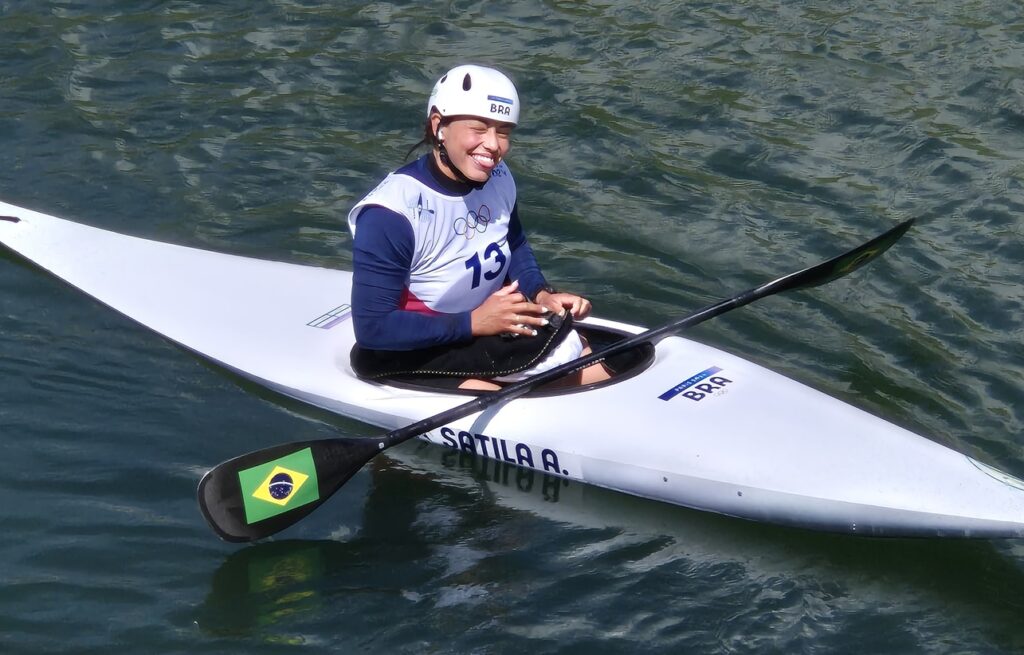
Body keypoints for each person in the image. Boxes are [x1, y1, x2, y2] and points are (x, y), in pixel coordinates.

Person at [347, 64, 611, 391]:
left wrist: (542, 293)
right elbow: (373, 328)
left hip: (481, 324)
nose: (493, 145)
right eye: (479, 128)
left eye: (503, 131)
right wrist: (474, 322)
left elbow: (513, 244)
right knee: (494, 393)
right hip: (411, 348)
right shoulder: (390, 215)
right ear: (439, 126)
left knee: (578, 347)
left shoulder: (498, 178)